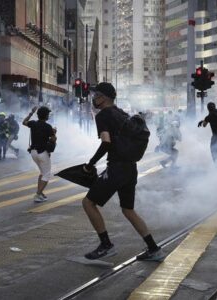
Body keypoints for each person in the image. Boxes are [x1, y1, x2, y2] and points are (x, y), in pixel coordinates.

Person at [82, 82, 165, 262]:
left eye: (96, 95)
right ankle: (153, 248)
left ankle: (106, 245)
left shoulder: (103, 115)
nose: (94, 99)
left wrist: (91, 163)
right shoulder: (122, 114)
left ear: (103, 97)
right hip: (130, 168)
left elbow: (106, 142)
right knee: (128, 210)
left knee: (88, 203)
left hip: (117, 168)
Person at [23, 106, 57, 203]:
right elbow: (53, 140)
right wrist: (54, 133)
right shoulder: (48, 127)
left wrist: (31, 112)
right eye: (48, 114)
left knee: (42, 173)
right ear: (46, 116)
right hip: (42, 153)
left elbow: (24, 122)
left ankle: (40, 193)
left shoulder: (33, 123)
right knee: (46, 175)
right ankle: (37, 195)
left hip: (33, 152)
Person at [198, 102, 217, 168]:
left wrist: (203, 121)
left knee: (214, 153)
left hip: (215, 137)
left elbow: (204, 125)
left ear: (208, 108)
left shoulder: (209, 117)